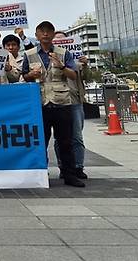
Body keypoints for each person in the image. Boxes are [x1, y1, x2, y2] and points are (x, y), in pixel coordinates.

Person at [22, 21, 84, 188]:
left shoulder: (64, 53)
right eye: (42, 31)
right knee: (40, 141)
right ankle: (41, 173)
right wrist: (31, 74)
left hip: (62, 102)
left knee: (66, 140)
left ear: (53, 33)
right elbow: (23, 77)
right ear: (36, 35)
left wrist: (61, 65)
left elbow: (73, 75)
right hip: (40, 103)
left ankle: (69, 173)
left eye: (49, 31)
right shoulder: (29, 54)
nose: (45, 34)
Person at [53, 31, 90, 180]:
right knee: (59, 137)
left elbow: (87, 78)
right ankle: (63, 166)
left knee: (77, 136)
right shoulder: (50, 59)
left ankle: (78, 166)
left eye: (63, 41)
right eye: (57, 41)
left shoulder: (77, 62)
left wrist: (86, 65)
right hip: (58, 101)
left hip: (75, 101)